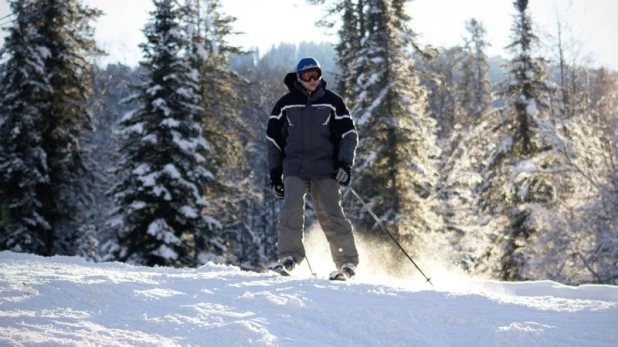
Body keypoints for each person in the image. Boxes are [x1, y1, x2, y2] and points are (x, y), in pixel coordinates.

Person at [266, 57, 359, 279]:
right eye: (307, 76)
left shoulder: (332, 102)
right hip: (294, 167)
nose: (313, 80)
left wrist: (344, 164)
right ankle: (289, 258)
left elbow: (348, 135)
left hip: (325, 167)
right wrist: (275, 174)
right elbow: (273, 140)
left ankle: (346, 263)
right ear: (299, 78)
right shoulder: (285, 104)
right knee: (291, 211)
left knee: (331, 213)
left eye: (316, 75)